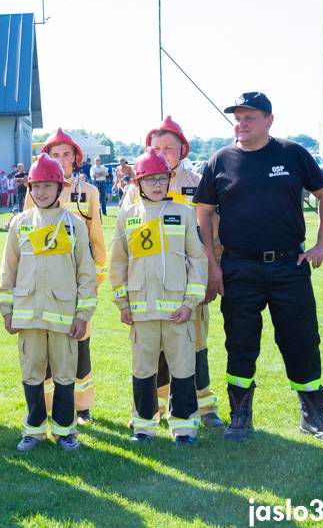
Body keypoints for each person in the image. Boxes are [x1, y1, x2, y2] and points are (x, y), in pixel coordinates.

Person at [195, 91, 323, 443]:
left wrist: (322, 245)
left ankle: (313, 414)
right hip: (239, 267)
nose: (241, 124)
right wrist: (213, 266)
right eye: (238, 117)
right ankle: (240, 417)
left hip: (289, 265)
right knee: (241, 342)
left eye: (250, 117)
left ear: (269, 120)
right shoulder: (220, 160)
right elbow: (204, 212)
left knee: (301, 339)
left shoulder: (291, 153)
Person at [121, 116, 224, 427]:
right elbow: (126, 242)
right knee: (151, 349)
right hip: (149, 285)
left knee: (195, 344)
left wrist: (208, 275)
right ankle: (154, 407)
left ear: (183, 150)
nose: (163, 152)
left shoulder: (198, 182)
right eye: (156, 147)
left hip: (188, 282)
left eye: (169, 147)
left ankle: (203, 406)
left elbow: (213, 231)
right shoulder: (135, 188)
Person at [0, 153, 97, 451]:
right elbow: (8, 270)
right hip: (27, 315)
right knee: (32, 372)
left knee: (65, 373)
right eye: (36, 186)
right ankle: (33, 429)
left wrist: (83, 314)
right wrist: (6, 311)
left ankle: (65, 430)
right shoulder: (20, 224)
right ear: (29, 188)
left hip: (64, 315)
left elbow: (86, 274)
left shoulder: (74, 225)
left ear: (59, 187)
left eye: (48, 186)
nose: (41, 192)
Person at [110, 149, 205, 445]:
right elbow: (118, 263)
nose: (157, 185)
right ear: (138, 182)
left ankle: (185, 427)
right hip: (142, 311)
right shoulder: (127, 216)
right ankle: (143, 426)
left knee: (183, 369)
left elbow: (197, 260)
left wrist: (190, 304)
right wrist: (123, 304)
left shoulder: (185, 213)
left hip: (178, 311)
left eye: (162, 179)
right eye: (150, 179)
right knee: (143, 370)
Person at [24, 129, 107, 425]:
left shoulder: (89, 193)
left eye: (66, 155)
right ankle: (46, 407)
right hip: (45, 286)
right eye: (54, 155)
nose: (60, 160)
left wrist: (91, 287)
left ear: (76, 159)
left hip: (77, 287)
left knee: (79, 347)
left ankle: (82, 407)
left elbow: (97, 242)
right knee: (45, 348)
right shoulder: (33, 191)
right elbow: (28, 241)